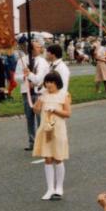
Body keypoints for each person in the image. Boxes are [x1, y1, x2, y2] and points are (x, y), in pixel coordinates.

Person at [32, 71, 71, 200]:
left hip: (58, 130)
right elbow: (36, 110)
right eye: (47, 82)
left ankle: (59, 188)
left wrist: (55, 110)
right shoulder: (43, 95)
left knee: (58, 158)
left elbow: (67, 113)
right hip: (45, 130)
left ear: (57, 83)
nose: (48, 85)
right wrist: (37, 103)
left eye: (51, 82)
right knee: (47, 158)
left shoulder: (64, 95)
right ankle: (50, 189)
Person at [16, 38, 49, 150]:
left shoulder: (43, 62)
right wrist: (25, 77)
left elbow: (40, 78)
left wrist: (30, 76)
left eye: (40, 46)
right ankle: (32, 141)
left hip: (39, 93)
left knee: (40, 119)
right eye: (37, 47)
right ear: (31, 49)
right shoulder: (22, 61)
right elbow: (16, 77)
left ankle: (42, 142)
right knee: (29, 118)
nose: (40, 48)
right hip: (27, 93)